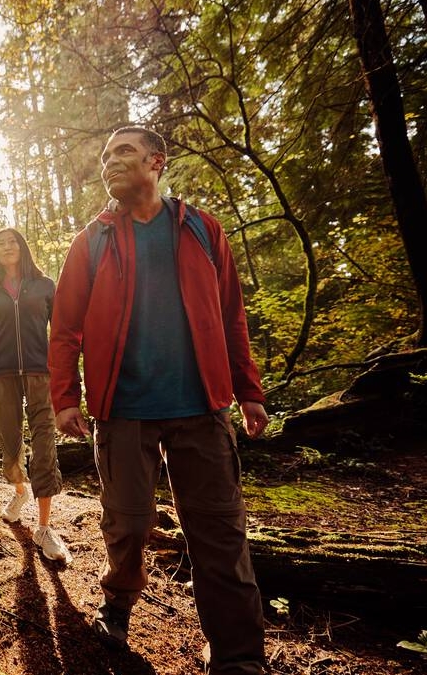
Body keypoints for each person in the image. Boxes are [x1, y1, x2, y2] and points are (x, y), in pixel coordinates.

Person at [48, 126, 270, 675]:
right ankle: (118, 605)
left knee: (219, 529)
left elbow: (230, 316)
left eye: (123, 151)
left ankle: (238, 656)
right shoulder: (92, 240)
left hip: (201, 408)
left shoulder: (201, 229)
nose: (110, 162)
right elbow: (65, 327)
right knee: (127, 523)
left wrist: (248, 391)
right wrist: (65, 398)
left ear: (156, 162)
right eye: (104, 156)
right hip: (123, 412)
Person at [0, 228, 71, 564]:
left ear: (23, 247)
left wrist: (67, 377)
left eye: (12, 241)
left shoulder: (44, 286)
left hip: (40, 374)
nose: (7, 247)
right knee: (10, 443)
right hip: (1, 376)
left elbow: (60, 334)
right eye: (0, 243)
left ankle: (44, 528)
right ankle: (19, 490)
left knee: (45, 443)